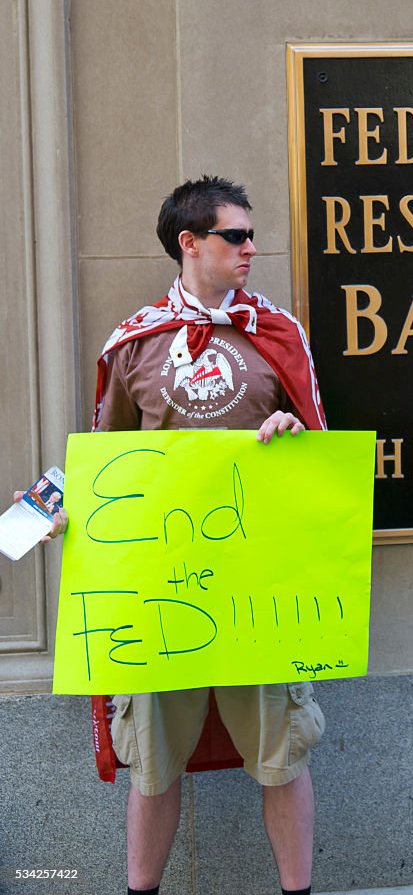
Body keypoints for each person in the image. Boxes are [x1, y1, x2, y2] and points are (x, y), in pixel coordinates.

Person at [92, 175, 326, 895]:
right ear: (190, 244)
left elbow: (324, 460)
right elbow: (106, 466)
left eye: (251, 234)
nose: (251, 247)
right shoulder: (135, 344)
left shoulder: (279, 333)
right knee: (155, 761)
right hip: (164, 586)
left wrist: (294, 438)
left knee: (282, 753)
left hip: (259, 586)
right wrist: (56, 513)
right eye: (236, 235)